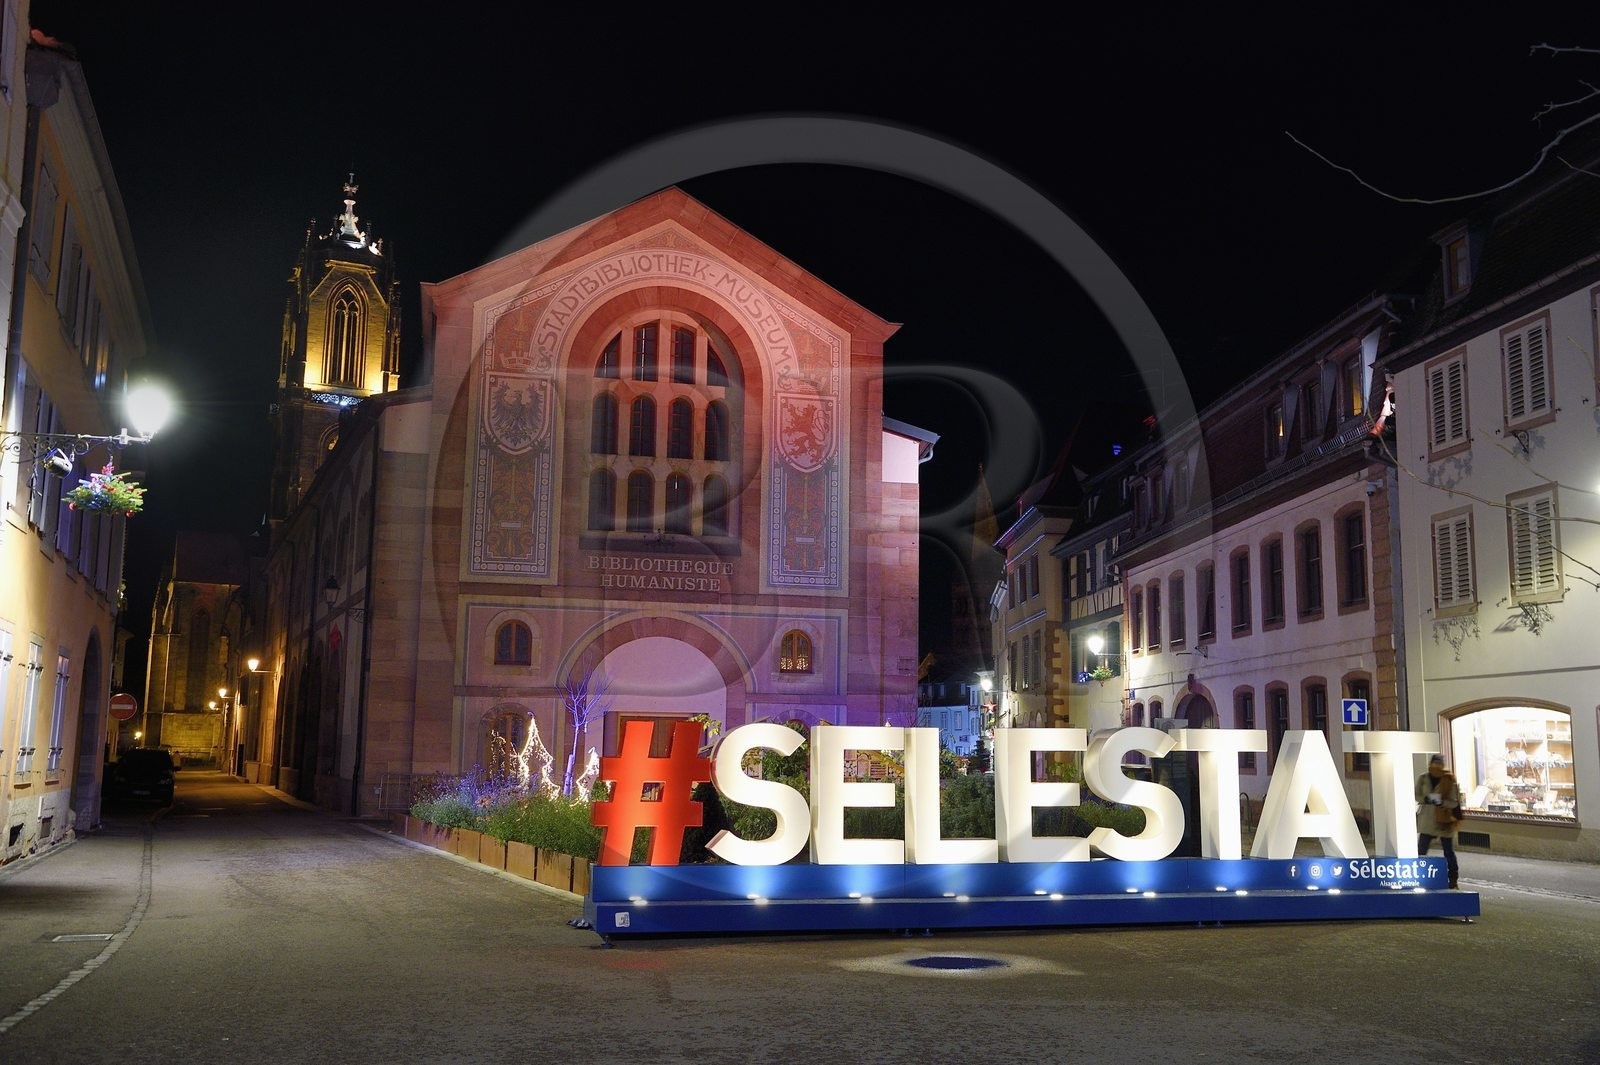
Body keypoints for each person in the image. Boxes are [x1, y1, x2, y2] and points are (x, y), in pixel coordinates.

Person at [1416, 754, 1462, 888]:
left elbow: (1454, 802)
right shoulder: (1423, 778)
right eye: (1434, 764)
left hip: (1444, 821)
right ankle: (1418, 877)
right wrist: (1428, 799)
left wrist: (1442, 802)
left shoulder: (1449, 779)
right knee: (1421, 851)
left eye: (1439, 764)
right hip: (1428, 821)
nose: (1436, 766)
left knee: (1448, 851)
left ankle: (1453, 878)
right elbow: (1417, 795)